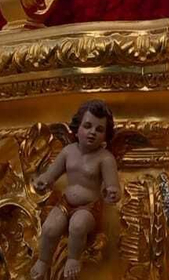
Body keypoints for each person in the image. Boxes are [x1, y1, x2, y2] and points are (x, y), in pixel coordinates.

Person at [30, 100, 120, 280]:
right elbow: (51, 174)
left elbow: (112, 184)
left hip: (88, 208)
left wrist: (112, 192)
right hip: (65, 203)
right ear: (77, 128)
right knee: (49, 228)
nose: (92, 132)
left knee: (77, 226)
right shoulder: (68, 152)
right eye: (87, 126)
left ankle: (73, 259)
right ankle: (43, 260)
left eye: (99, 129)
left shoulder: (105, 158)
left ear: (105, 136)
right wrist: (43, 181)